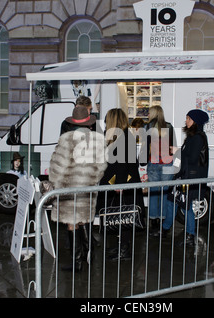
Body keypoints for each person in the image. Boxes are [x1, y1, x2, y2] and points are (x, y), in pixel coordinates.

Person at [48, 106, 107, 271]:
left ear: (73, 122)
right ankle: (88, 254)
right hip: (88, 189)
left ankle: (77, 262)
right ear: (89, 123)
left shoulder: (67, 139)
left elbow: (57, 168)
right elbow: (102, 166)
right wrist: (92, 180)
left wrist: (54, 184)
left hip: (70, 190)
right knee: (84, 220)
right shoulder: (98, 139)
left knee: (72, 223)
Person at [96, 108, 145, 261]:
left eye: (107, 120)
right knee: (119, 217)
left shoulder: (124, 137)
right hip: (117, 183)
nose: (104, 123)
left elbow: (124, 164)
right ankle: (121, 246)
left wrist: (119, 185)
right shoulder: (117, 136)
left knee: (124, 217)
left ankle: (124, 249)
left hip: (122, 185)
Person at [158, 109, 210, 246]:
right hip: (182, 176)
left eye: (189, 118)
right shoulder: (192, 136)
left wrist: (177, 151)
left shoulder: (198, 137)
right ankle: (165, 229)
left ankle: (190, 236)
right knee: (171, 202)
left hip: (189, 178)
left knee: (186, 207)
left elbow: (192, 159)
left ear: (196, 121)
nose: (186, 121)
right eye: (186, 118)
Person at [140, 106, 176, 234]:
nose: (147, 115)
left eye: (149, 113)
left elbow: (145, 146)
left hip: (154, 163)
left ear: (154, 113)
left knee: (154, 193)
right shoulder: (169, 127)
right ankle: (163, 222)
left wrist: (142, 162)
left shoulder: (148, 127)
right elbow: (173, 147)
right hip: (167, 163)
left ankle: (153, 222)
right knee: (164, 193)